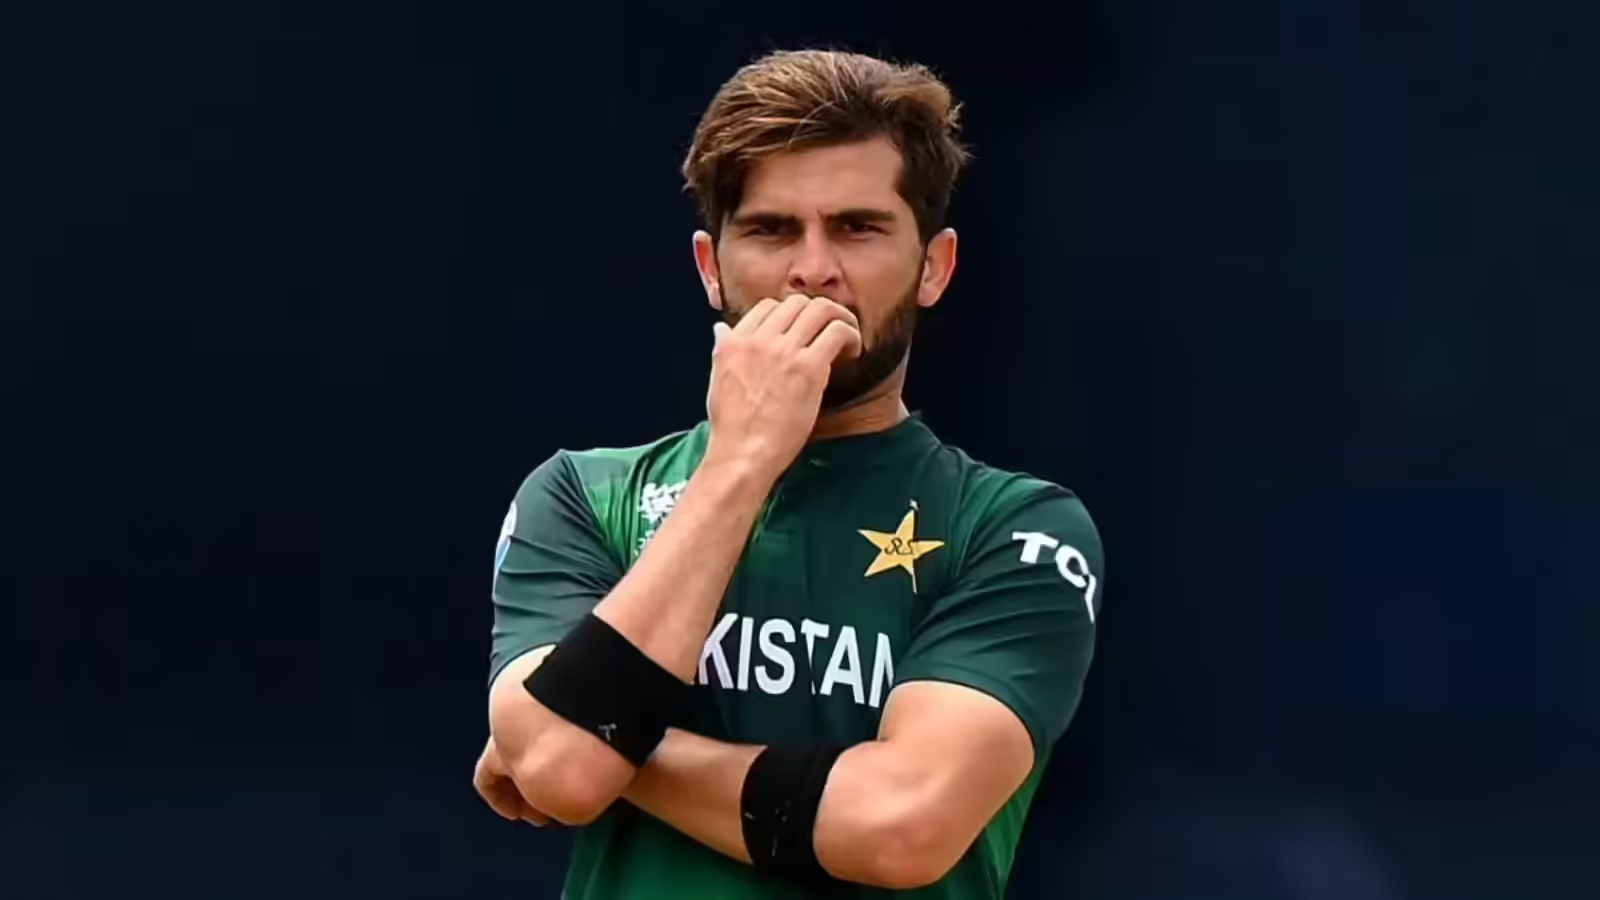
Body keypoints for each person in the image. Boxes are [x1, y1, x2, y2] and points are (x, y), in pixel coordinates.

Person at [472, 48, 1105, 899]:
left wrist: (605, 739)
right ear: (710, 267)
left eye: (858, 227)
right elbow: (563, 770)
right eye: (771, 230)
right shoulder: (584, 496)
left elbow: (901, 827)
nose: (812, 269)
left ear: (934, 267)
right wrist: (742, 460)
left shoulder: (1016, 527)